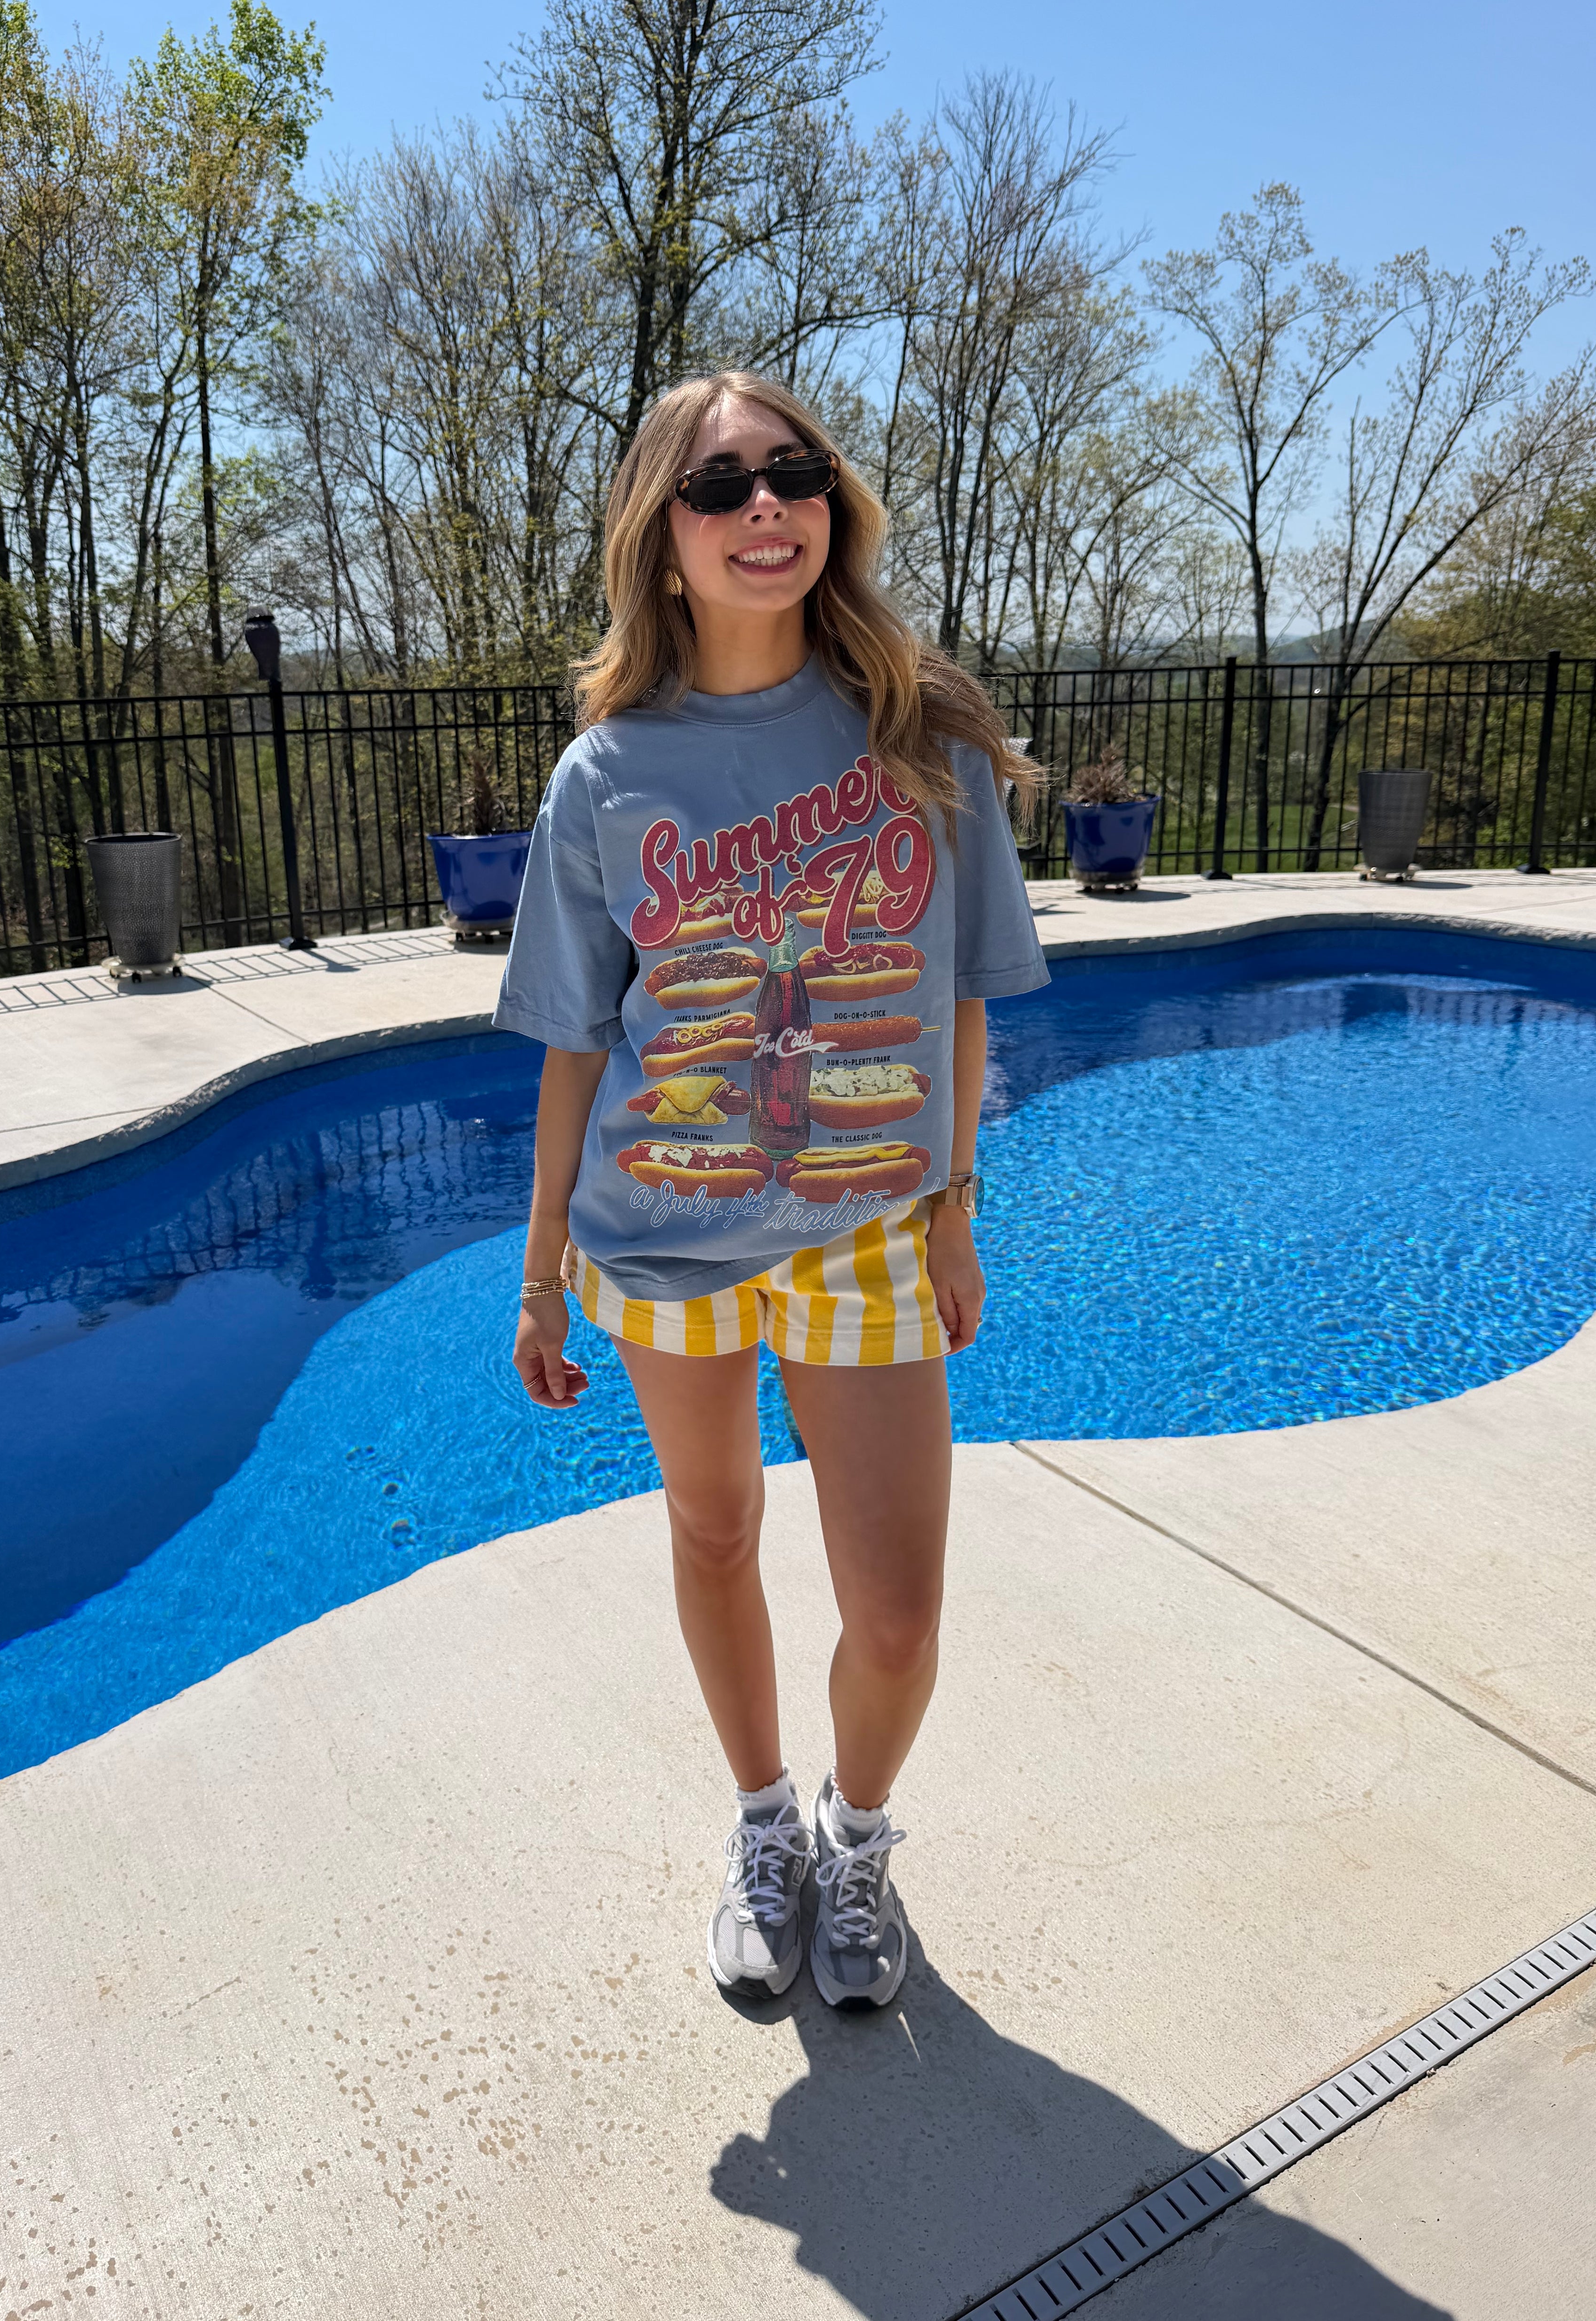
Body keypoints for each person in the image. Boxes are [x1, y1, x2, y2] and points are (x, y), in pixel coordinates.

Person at [495, 369, 1047, 2009]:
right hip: (660, 1239)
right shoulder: (607, 778)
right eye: (721, 485)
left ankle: (857, 1836)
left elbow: (957, 983)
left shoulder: (919, 730)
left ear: (833, 506)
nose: (764, 508)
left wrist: (953, 1204)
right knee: (716, 1525)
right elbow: (578, 1040)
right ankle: (761, 1826)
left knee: (895, 1614)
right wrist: (537, 1274)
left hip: (870, 1233)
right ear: (662, 542)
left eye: (793, 475)